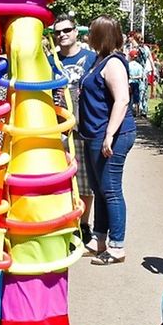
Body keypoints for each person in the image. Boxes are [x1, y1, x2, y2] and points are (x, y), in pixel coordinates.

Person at [77, 15, 135, 266]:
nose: (88, 36)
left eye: (92, 32)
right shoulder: (98, 60)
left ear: (101, 35)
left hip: (111, 135)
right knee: (99, 189)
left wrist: (110, 135)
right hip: (93, 133)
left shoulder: (114, 63)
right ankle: (99, 237)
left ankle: (117, 246)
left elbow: (122, 99)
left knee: (110, 190)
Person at [53, 17, 97, 244]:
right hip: (56, 126)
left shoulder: (91, 58)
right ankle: (63, 223)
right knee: (59, 178)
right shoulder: (52, 60)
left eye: (67, 30)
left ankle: (83, 224)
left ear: (76, 32)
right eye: (58, 32)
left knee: (84, 181)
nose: (62, 35)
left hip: (83, 126)